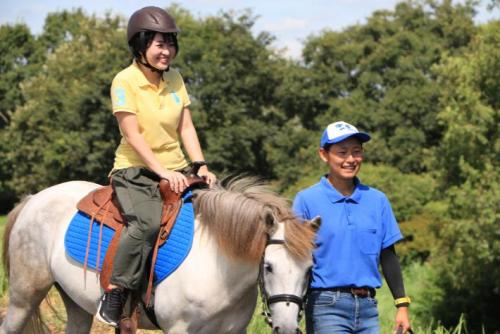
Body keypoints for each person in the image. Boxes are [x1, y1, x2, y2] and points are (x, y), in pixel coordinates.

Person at [96, 6, 216, 327]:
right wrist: (161, 172)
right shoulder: (125, 81)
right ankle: (116, 291)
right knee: (146, 223)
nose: (167, 51)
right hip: (135, 170)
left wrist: (200, 165)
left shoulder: (175, 78)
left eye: (170, 43)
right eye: (159, 44)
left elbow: (186, 127)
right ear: (140, 46)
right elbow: (132, 135)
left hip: (177, 169)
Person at [292, 121, 411, 334]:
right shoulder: (306, 201)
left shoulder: (378, 200)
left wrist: (402, 305)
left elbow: (388, 255)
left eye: (356, 152)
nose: (350, 159)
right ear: (324, 154)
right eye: (342, 152)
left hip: (368, 308)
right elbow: (295, 261)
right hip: (325, 305)